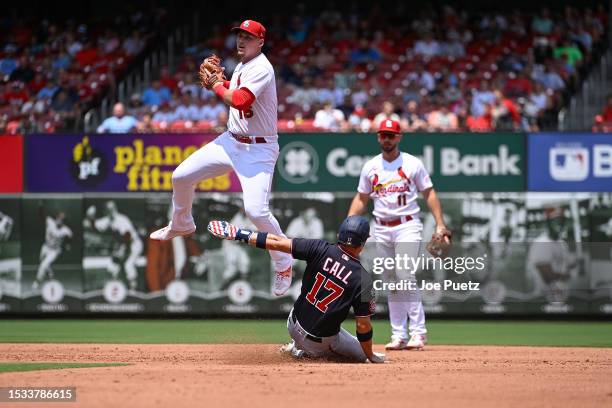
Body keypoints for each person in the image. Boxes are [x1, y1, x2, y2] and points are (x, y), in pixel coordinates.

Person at [149, 19, 294, 296]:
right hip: (230, 141)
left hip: (258, 150)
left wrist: (217, 85)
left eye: (249, 36)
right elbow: (235, 89)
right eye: (240, 35)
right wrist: (221, 82)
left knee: (256, 211)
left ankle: (283, 260)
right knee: (180, 176)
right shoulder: (243, 65)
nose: (242, 40)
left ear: (261, 42)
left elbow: (240, 100)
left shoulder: (262, 67)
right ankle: (181, 224)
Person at [207, 215, 386, 363]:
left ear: (340, 234)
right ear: (362, 244)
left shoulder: (319, 248)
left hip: (292, 324)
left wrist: (239, 234)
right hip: (319, 343)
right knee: (362, 355)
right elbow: (362, 325)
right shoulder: (364, 279)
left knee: (332, 327)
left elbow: (276, 242)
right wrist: (370, 355)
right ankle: (305, 353)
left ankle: (297, 345)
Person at [348, 119, 449, 350]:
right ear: (378, 137)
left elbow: (429, 193)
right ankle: (398, 334)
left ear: (399, 137)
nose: (387, 138)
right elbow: (361, 198)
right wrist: (349, 223)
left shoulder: (412, 163)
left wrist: (440, 224)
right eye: (383, 134)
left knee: (405, 275)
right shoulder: (371, 167)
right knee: (391, 282)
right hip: (381, 227)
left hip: (407, 225)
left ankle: (418, 332)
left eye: (391, 135)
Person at [85, 201, 143, 292]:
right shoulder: (108, 220)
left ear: (115, 209)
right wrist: (91, 217)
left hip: (134, 244)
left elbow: (128, 237)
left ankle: (133, 289)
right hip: (123, 244)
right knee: (112, 267)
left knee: (128, 265)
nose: (110, 211)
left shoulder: (122, 220)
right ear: (105, 211)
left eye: (111, 209)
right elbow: (95, 226)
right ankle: (115, 288)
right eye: (108, 209)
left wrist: (122, 250)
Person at [33, 210, 73, 290]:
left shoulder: (66, 230)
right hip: (45, 247)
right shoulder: (50, 221)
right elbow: (41, 215)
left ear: (64, 221)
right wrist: (40, 207)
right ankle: (51, 274)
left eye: (62, 219)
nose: (60, 220)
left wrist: (68, 244)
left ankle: (37, 281)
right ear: (56, 217)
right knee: (42, 262)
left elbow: (70, 237)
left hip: (54, 251)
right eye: (59, 218)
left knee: (43, 265)